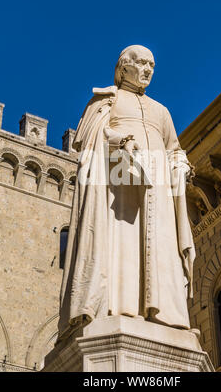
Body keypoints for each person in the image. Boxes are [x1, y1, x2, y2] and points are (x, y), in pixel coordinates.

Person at [58, 45, 196, 340]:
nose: (148, 70)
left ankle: (164, 315)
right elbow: (89, 142)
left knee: (159, 247)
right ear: (123, 67)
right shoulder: (106, 101)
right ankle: (117, 307)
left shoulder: (162, 111)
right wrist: (121, 142)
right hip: (117, 186)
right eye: (142, 63)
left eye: (152, 65)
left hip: (157, 190)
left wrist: (180, 166)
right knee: (120, 247)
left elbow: (174, 150)